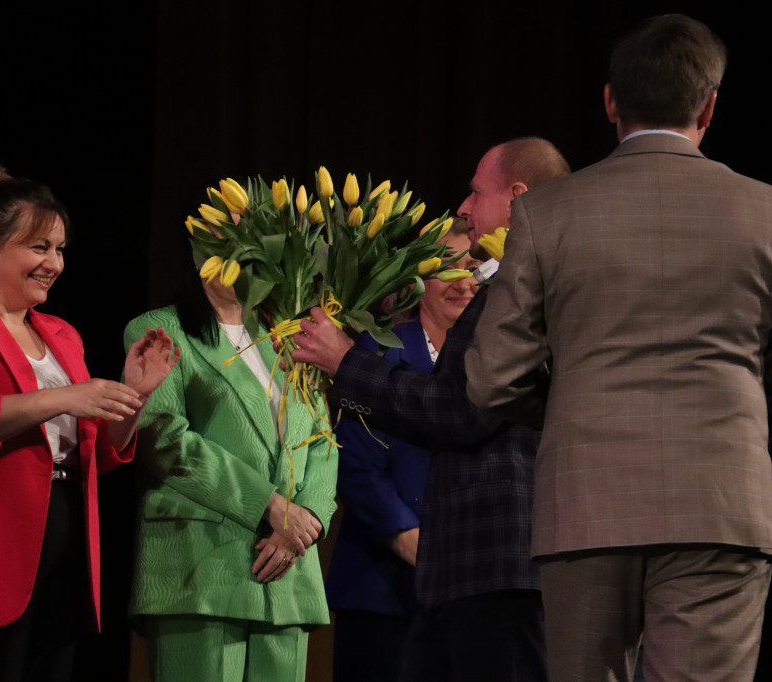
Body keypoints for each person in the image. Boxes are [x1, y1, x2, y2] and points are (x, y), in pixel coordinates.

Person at [465, 15, 772, 681]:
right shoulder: (763, 210)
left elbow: (492, 380)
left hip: (585, 505)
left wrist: (576, 406)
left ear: (610, 101)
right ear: (711, 105)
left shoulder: (547, 215)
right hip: (720, 501)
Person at [292, 137, 569, 682]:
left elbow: (464, 409)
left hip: (497, 563)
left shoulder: (527, 286)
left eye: (474, 192)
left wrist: (347, 360)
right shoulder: (520, 283)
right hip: (463, 570)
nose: (464, 208)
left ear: (515, 197)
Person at [0, 166, 179, 681]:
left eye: (59, 249)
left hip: (62, 536)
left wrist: (135, 397)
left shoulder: (62, 334)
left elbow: (100, 455)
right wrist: (64, 397)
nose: (54, 263)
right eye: (39, 248)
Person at [123, 247, 338, 682]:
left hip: (287, 567)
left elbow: (323, 440)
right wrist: (271, 506)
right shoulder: (162, 329)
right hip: (201, 566)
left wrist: (306, 520)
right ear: (197, 248)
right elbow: (165, 437)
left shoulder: (290, 332)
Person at [324, 222, 481, 682]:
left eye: (472, 267)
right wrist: (407, 536)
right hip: (382, 589)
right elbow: (353, 462)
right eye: (447, 268)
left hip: (465, 588)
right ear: (418, 279)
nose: (463, 281)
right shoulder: (374, 353)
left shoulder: (493, 361)